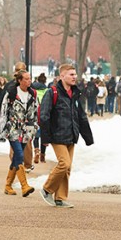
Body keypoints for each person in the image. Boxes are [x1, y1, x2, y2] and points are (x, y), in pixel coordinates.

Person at [39, 63, 94, 208]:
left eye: (75, 74)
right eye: (71, 74)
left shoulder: (76, 94)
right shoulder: (52, 92)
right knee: (64, 163)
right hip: (57, 136)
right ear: (61, 76)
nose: (74, 77)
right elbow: (44, 116)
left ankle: (60, 198)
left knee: (67, 168)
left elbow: (81, 116)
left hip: (71, 135)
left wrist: (88, 137)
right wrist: (45, 138)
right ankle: (47, 189)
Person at [0, 70, 38, 197]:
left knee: (16, 158)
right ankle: (24, 186)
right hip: (13, 129)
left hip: (26, 131)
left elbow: (35, 112)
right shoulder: (11, 94)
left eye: (29, 78)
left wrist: (34, 127)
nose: (29, 81)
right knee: (20, 155)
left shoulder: (33, 94)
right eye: (26, 79)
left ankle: (8, 185)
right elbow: (4, 112)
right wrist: (2, 131)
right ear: (20, 80)